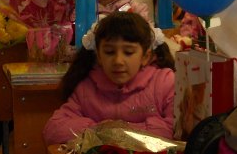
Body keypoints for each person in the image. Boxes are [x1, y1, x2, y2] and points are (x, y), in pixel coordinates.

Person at [42, 11, 175, 145]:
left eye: (128, 52)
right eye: (109, 52)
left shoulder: (165, 83)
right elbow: (54, 130)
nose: (118, 61)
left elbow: (176, 130)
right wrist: (102, 130)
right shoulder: (86, 88)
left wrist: (115, 132)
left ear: (145, 57)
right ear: (99, 56)